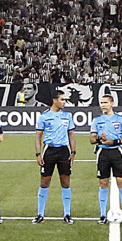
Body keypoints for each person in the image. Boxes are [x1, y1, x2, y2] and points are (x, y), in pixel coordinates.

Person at [89, 95, 122, 224]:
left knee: (121, 182)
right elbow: (91, 139)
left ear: (112, 103)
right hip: (102, 153)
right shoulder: (97, 120)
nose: (103, 105)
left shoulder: (120, 119)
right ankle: (103, 214)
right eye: (101, 103)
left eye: (105, 102)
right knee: (103, 183)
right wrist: (100, 139)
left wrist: (113, 141)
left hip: (116, 152)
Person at [33, 96, 76, 224]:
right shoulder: (44, 116)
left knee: (66, 182)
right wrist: (38, 154)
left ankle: (67, 214)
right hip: (49, 151)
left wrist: (73, 152)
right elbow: (38, 136)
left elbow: (71, 135)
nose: (64, 102)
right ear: (54, 100)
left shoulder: (67, 116)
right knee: (45, 182)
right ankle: (40, 214)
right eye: (62, 99)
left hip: (64, 151)